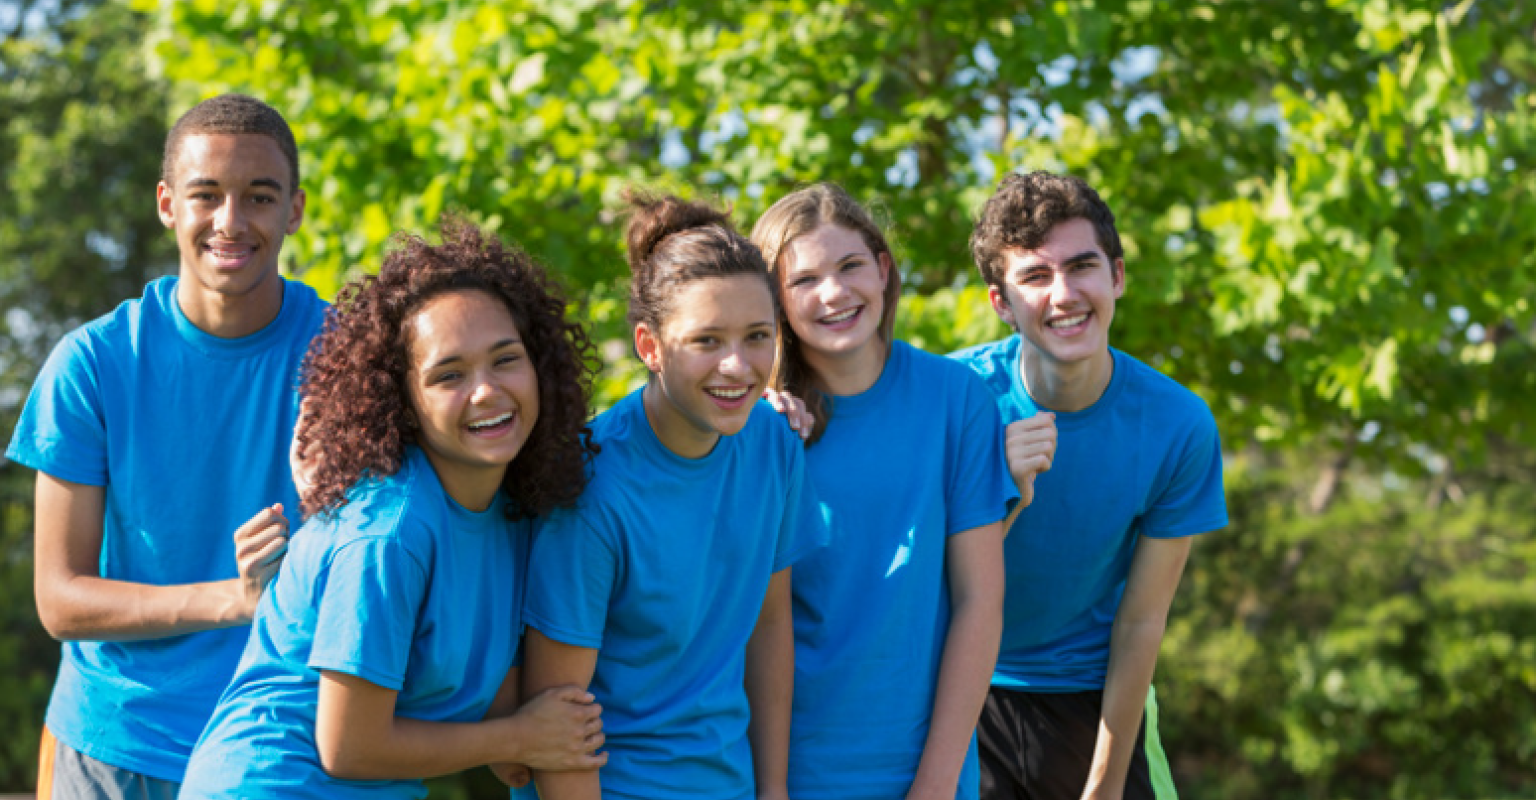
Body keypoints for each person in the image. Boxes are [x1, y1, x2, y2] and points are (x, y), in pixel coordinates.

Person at [178, 218, 607, 798]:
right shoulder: (389, 533)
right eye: (449, 375)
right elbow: (348, 747)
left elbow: (501, 713)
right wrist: (519, 738)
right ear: (403, 401)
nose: (486, 390)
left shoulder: (510, 510)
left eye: (506, 359)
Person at [5, 93, 322, 799]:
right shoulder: (92, 363)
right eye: (206, 195)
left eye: (259, 196)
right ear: (167, 204)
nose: (230, 221)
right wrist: (235, 599)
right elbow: (60, 600)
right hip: (114, 743)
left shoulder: (348, 355)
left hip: (280, 743)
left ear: (294, 210)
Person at [516, 192, 826, 800]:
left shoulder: (775, 444)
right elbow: (556, 716)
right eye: (706, 341)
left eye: (757, 336)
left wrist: (773, 789)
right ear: (649, 347)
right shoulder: (590, 487)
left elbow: (769, 623)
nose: (737, 366)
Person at [748, 183, 1037, 800]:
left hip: (927, 767)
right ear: (774, 301)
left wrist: (936, 782)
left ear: (883, 269)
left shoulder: (955, 399)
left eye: (850, 265)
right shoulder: (762, 429)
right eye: (804, 280)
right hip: (791, 769)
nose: (834, 293)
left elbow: (979, 603)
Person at [950, 171, 1229, 800]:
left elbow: (1142, 620)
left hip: (1095, 699)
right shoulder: (954, 403)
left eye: (1082, 267)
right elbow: (919, 584)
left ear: (1117, 277)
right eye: (1035, 276)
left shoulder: (1178, 425)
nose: (1065, 294)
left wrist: (1104, 784)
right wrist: (1001, 490)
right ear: (1001, 302)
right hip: (961, 689)